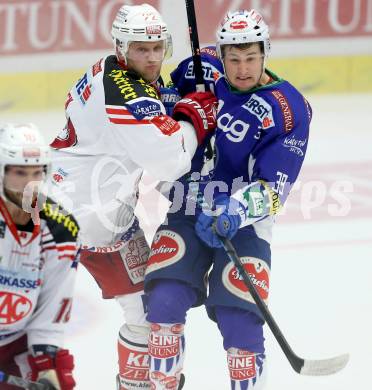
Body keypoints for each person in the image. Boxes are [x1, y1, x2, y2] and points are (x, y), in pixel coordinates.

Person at [48, 3, 217, 389]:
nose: (153, 57)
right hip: (90, 220)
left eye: (158, 47)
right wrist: (195, 120)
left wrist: (177, 106)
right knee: (145, 312)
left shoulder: (109, 69)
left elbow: (144, 118)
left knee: (147, 308)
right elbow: (170, 161)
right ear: (122, 48)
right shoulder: (126, 93)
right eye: (142, 49)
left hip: (76, 206)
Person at [144, 9, 312, 390]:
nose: (242, 68)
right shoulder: (200, 68)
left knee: (240, 325)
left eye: (251, 57)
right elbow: (160, 98)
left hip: (242, 222)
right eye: (233, 58)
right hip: (187, 206)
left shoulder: (289, 110)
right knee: (164, 304)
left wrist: (234, 211)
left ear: (266, 52)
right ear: (221, 53)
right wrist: (180, 108)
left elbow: (275, 188)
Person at [0, 123, 79, 390]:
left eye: (36, 172)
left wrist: (47, 366)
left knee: (59, 379)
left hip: (16, 343)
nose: (28, 183)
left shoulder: (60, 229)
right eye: (19, 172)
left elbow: (53, 305)